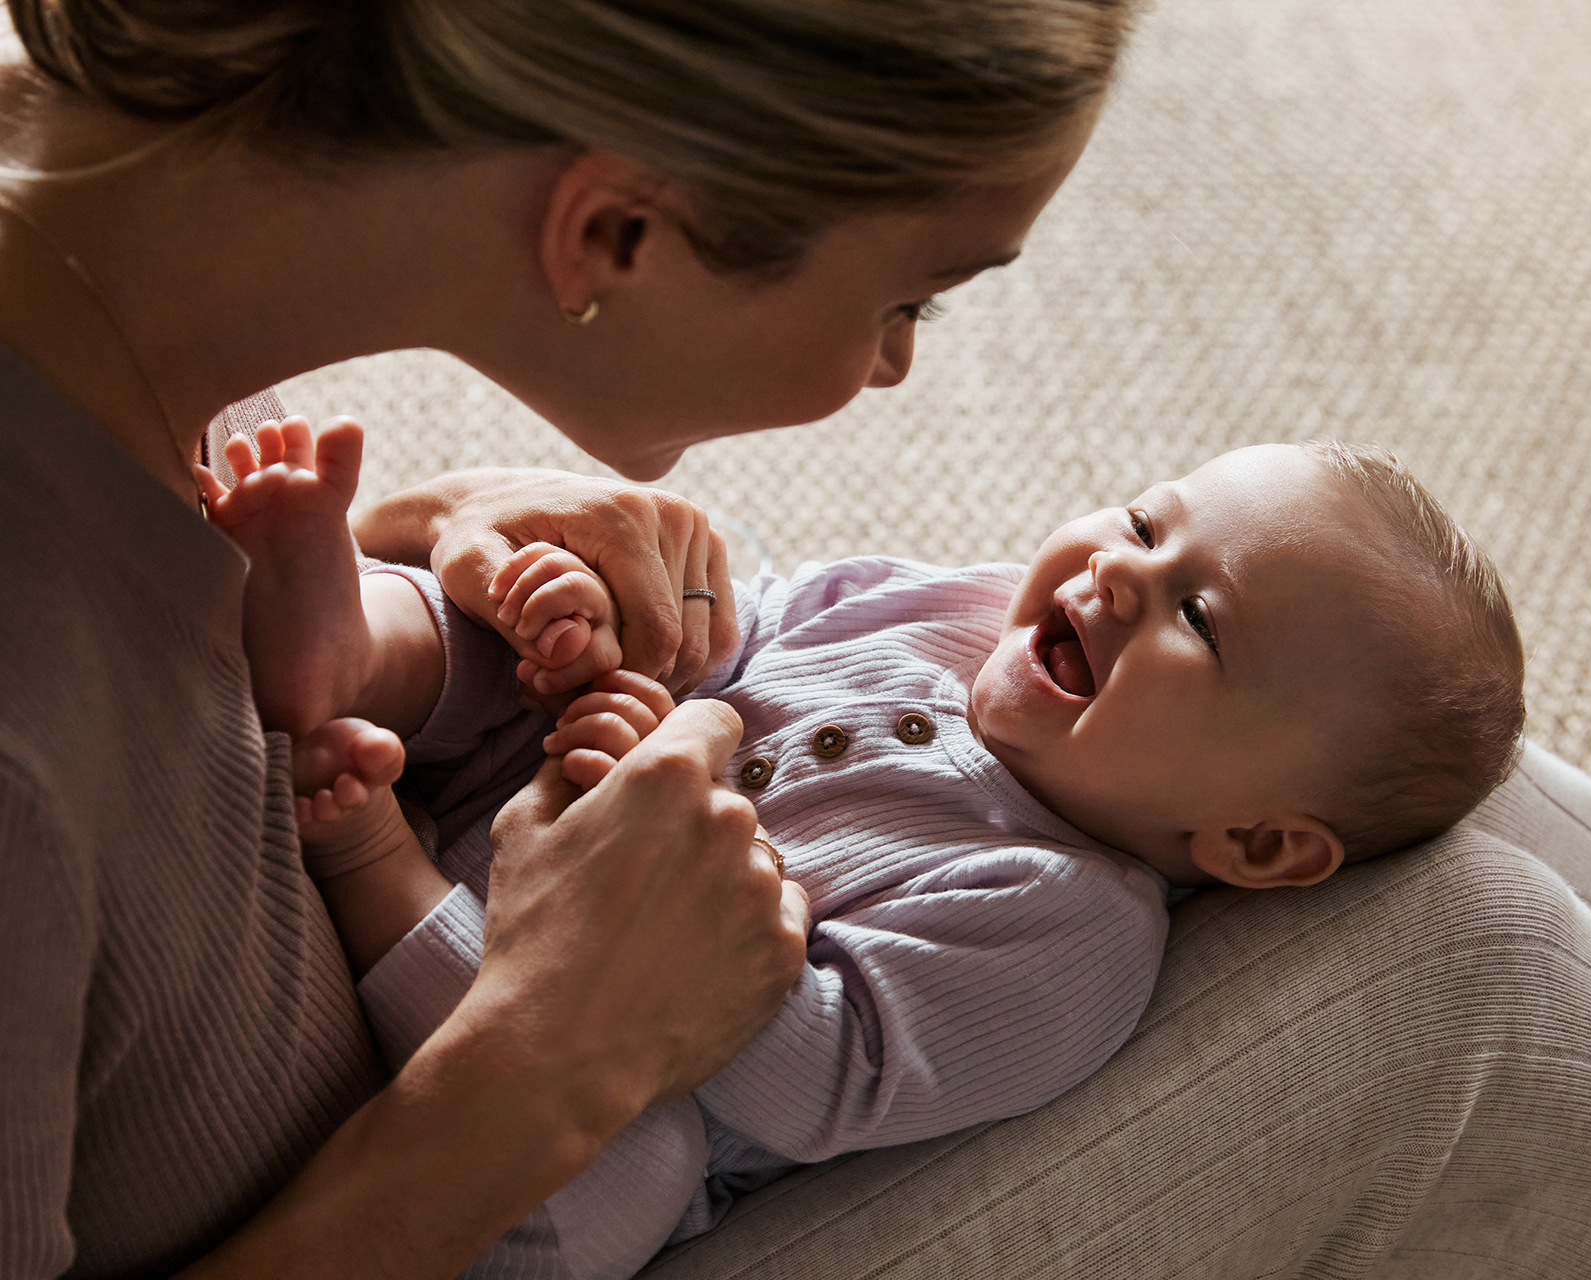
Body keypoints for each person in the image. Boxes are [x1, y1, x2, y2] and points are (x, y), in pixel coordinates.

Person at [0, 2, 1138, 1276]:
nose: (892, 363)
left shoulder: (98, 238)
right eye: (912, 297)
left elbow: (163, 634)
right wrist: (555, 1064)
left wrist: (406, 532)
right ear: (610, 234)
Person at [200, 422, 1525, 1279]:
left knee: (626, 1176)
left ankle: (366, 856)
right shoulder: (949, 607)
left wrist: (652, 880)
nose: (1121, 573)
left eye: (1201, 619)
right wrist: (620, 653)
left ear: (1256, 839)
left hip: (565, 1068)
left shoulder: (1069, 925)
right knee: (513, 641)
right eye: (1141, 522)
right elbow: (753, 629)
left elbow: (822, 1078)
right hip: (531, 786)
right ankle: (346, 646)